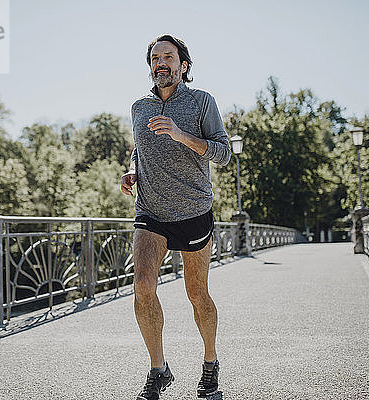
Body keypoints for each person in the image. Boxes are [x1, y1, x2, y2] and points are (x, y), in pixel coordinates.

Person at [120, 34, 231, 399]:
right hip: (150, 213)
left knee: (196, 293)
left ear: (183, 66)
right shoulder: (139, 107)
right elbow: (140, 147)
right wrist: (133, 169)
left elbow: (223, 152)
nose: (160, 63)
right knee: (142, 286)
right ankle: (158, 368)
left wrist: (182, 135)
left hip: (193, 211)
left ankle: (210, 362)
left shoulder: (202, 102)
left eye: (169, 56)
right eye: (155, 58)